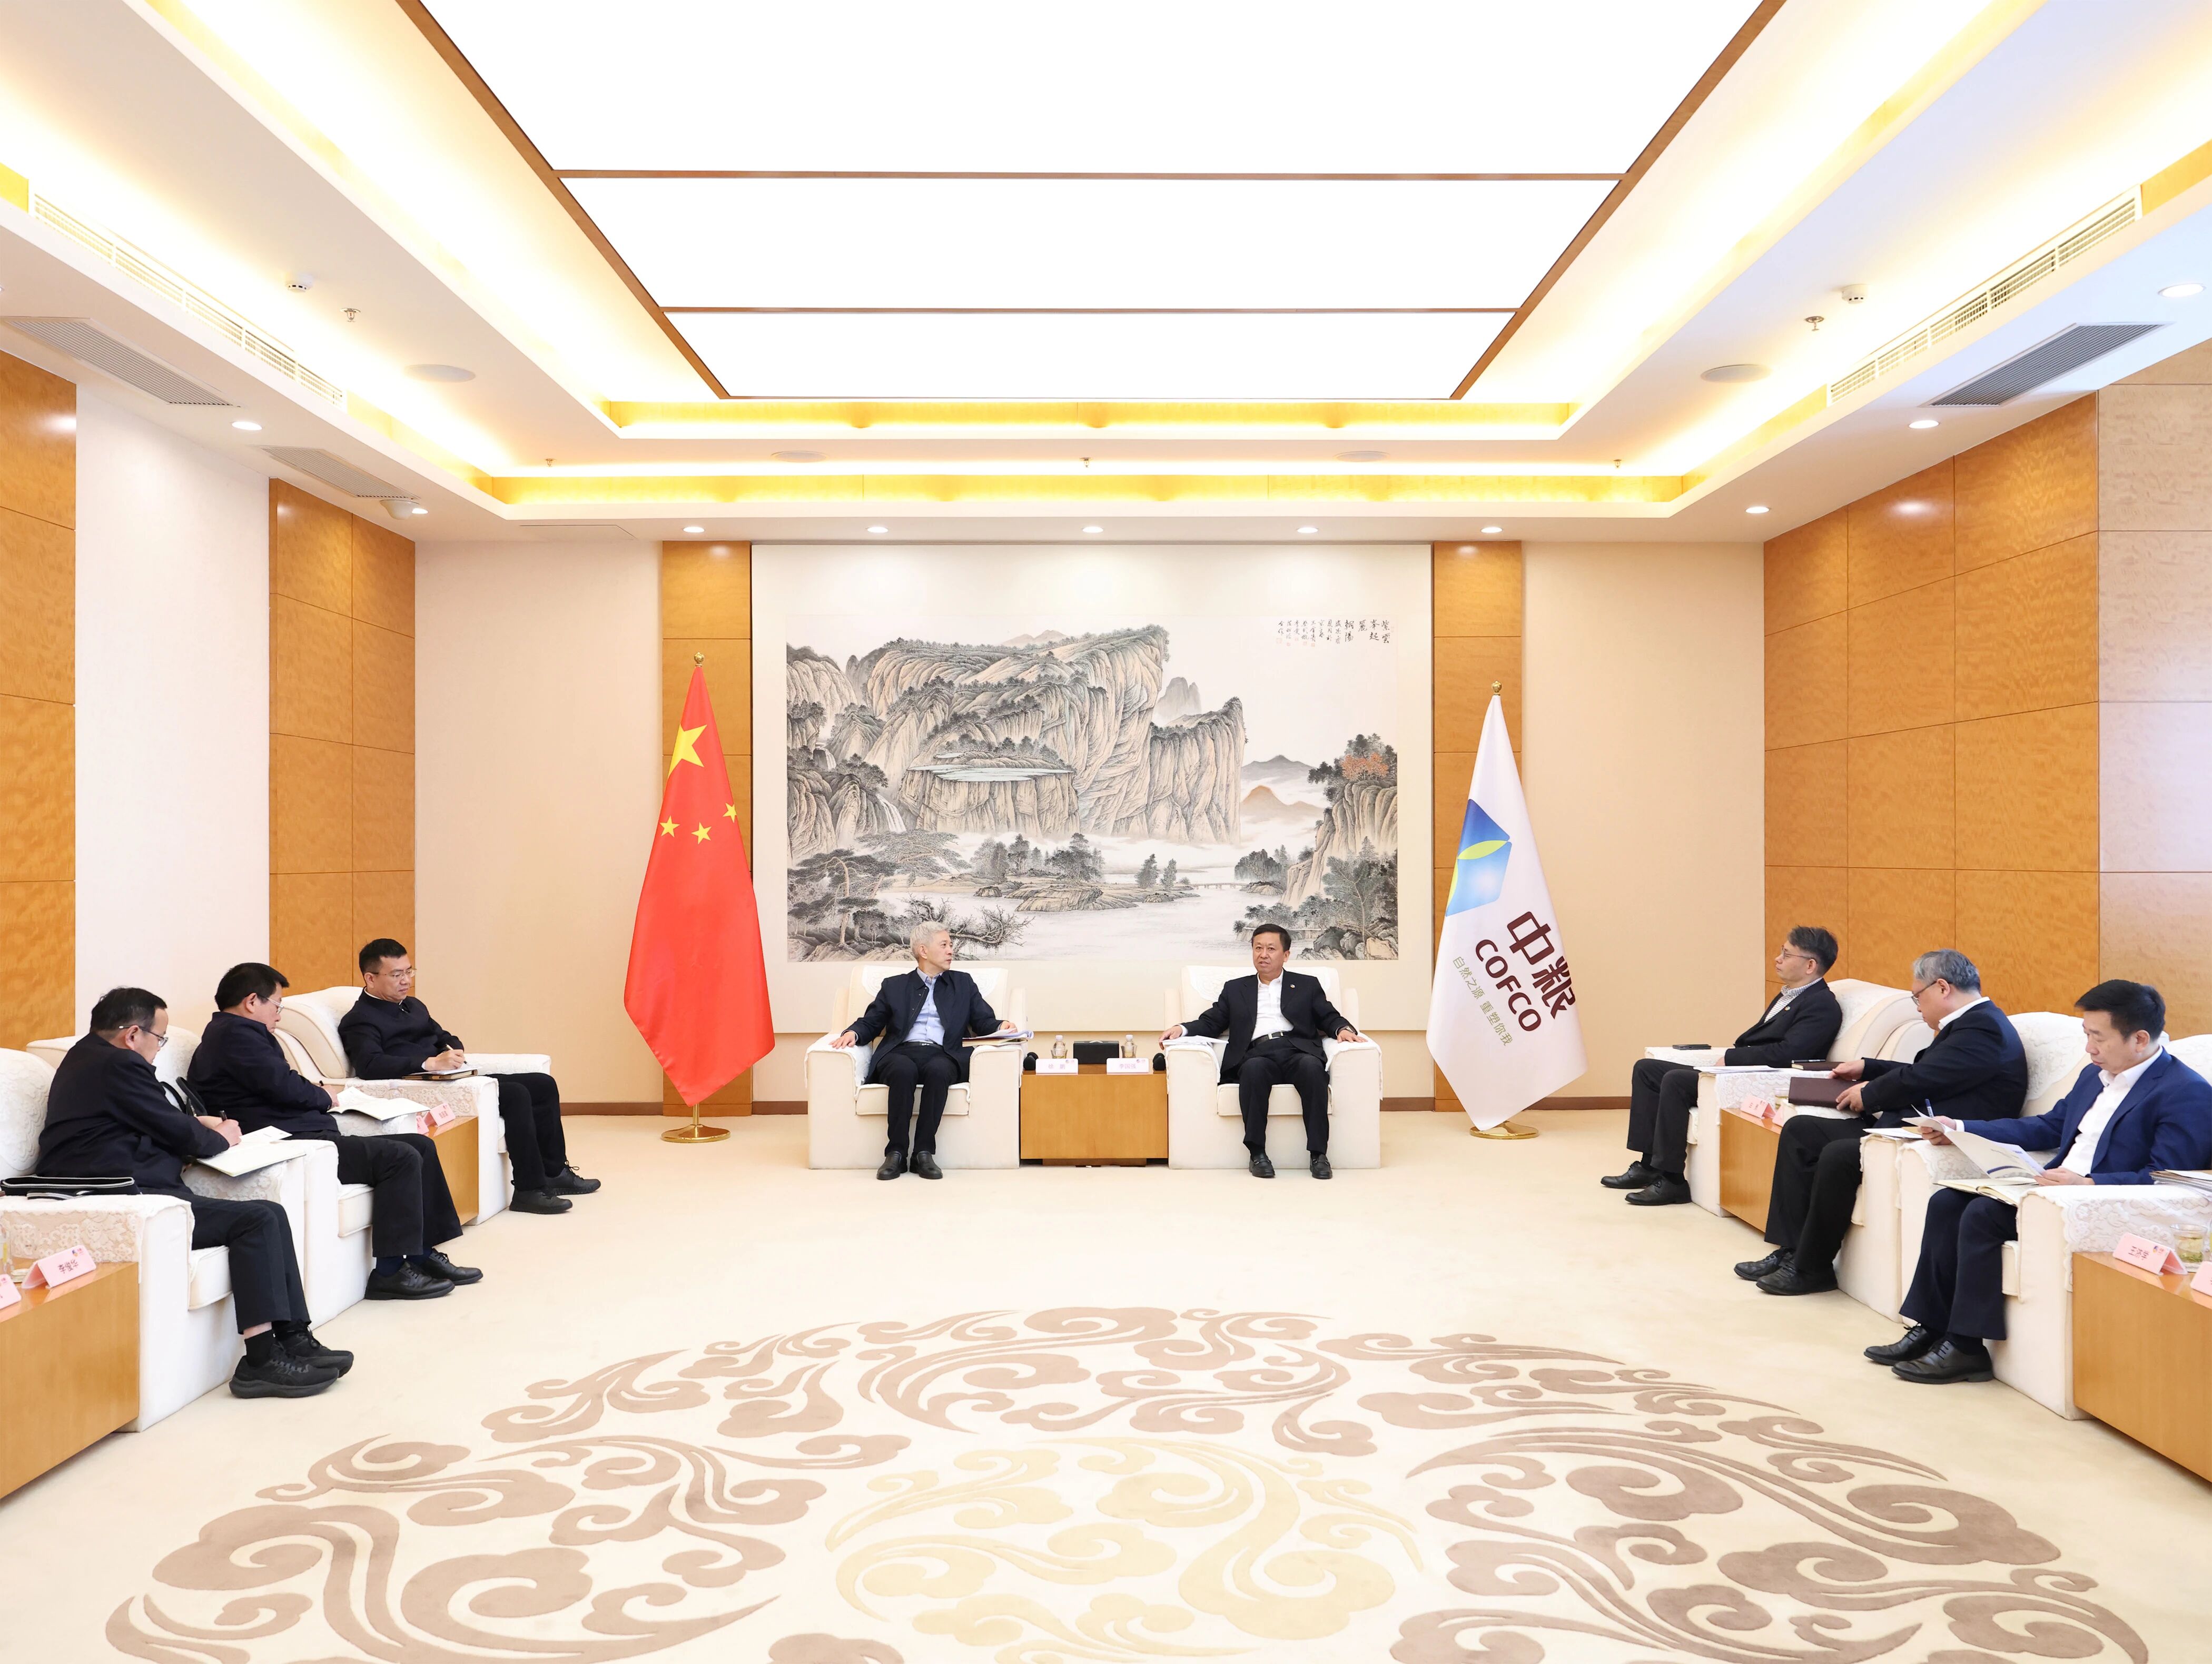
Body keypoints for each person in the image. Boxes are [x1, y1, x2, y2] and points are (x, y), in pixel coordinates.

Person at [1874, 979, 2212, 1383]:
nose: (2089, 1048)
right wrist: (1961, 1128)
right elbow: (2049, 1126)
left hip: (2093, 1201)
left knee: (1981, 1215)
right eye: (2086, 1034)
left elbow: (2168, 1176)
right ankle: (1932, 1328)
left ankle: (1966, 1347)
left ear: (2139, 1039)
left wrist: (2089, 1184)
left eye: (2098, 1037)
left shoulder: (2186, 1093)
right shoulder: (2095, 1075)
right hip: (2052, 1188)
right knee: (1946, 1203)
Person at [34, 987, 349, 1398]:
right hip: (124, 1195)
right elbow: (182, 1135)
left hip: (136, 1186)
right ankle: (260, 1362)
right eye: (159, 1038)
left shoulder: (92, 1060)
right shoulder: (118, 1065)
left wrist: (194, 1126)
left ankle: (293, 1339)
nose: (159, 1049)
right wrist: (222, 1136)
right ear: (133, 1035)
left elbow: (155, 1119)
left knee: (269, 1213)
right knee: (256, 1220)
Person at [1739, 948, 2026, 1296]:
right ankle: (1791, 1250)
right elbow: (1927, 1072)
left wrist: (1870, 1092)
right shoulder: (1971, 1024)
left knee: (1840, 1154)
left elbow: (1926, 1078)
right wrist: (1868, 1067)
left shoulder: (1984, 1029)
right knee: (1802, 1131)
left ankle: (1812, 1268)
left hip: (1943, 1139)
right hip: (1907, 1126)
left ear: (1942, 988)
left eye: (1917, 996)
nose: (1917, 1007)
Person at [189, 962, 478, 1301]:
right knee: (399, 1157)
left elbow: (276, 1083)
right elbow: (285, 1087)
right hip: (289, 1142)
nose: (279, 1015)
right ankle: (389, 1273)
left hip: (306, 1135)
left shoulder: (239, 1034)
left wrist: (314, 1092)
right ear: (252, 1002)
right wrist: (325, 1096)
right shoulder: (236, 1036)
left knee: (420, 1145)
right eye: (277, 1005)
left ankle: (422, 1254)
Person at [338, 939, 596, 1215]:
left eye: (409, 971)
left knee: (542, 1084)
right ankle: (529, 1190)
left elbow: (442, 1036)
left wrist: (453, 1049)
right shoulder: (360, 1019)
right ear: (371, 978)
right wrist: (429, 1063)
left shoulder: (413, 1006)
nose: (406, 981)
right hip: (420, 1087)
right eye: (397, 974)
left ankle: (554, 1173)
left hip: (452, 1078)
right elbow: (370, 1065)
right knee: (516, 1094)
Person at [1605, 926, 1843, 1206]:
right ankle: (1649, 1166)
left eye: (1787, 954)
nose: (1778, 959)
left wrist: (1733, 1058)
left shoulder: (1822, 1005)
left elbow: (1790, 1053)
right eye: (1782, 951)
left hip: (1761, 1080)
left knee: (1676, 1081)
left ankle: (1672, 1181)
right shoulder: (1790, 995)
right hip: (1738, 1072)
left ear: (1810, 965)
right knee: (1646, 1069)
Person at [1160, 923, 1362, 1180]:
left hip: (1298, 1050)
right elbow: (1212, 1022)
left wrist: (1342, 1029)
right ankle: (1257, 1154)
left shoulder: (1307, 985)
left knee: (1313, 1069)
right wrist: (1182, 1029)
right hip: (1258, 1053)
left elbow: (1328, 1016)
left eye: (1271, 949)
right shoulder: (1236, 989)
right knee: (1253, 1071)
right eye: (1258, 948)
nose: (1263, 955)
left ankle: (1318, 1155)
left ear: (1285, 955)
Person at [831, 922, 1018, 1180]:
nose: (951, 950)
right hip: (900, 1052)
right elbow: (872, 1021)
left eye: (951, 945)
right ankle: (896, 1153)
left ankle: (923, 1153)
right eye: (944, 945)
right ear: (923, 951)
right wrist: (853, 1033)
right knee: (902, 1070)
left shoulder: (963, 984)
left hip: (943, 1054)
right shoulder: (894, 986)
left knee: (939, 1071)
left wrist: (1000, 1026)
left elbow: (983, 1020)